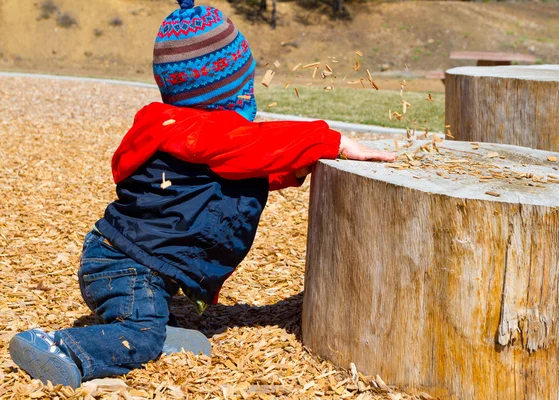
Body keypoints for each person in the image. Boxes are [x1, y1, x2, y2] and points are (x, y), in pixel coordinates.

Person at [9, 0, 395, 388]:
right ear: (227, 92)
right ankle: (61, 347)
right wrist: (334, 141)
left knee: (146, 324)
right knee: (139, 332)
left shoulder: (184, 137)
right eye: (246, 85)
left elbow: (230, 175)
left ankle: (156, 334)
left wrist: (292, 168)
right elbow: (255, 146)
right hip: (127, 268)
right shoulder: (203, 135)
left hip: (119, 259)